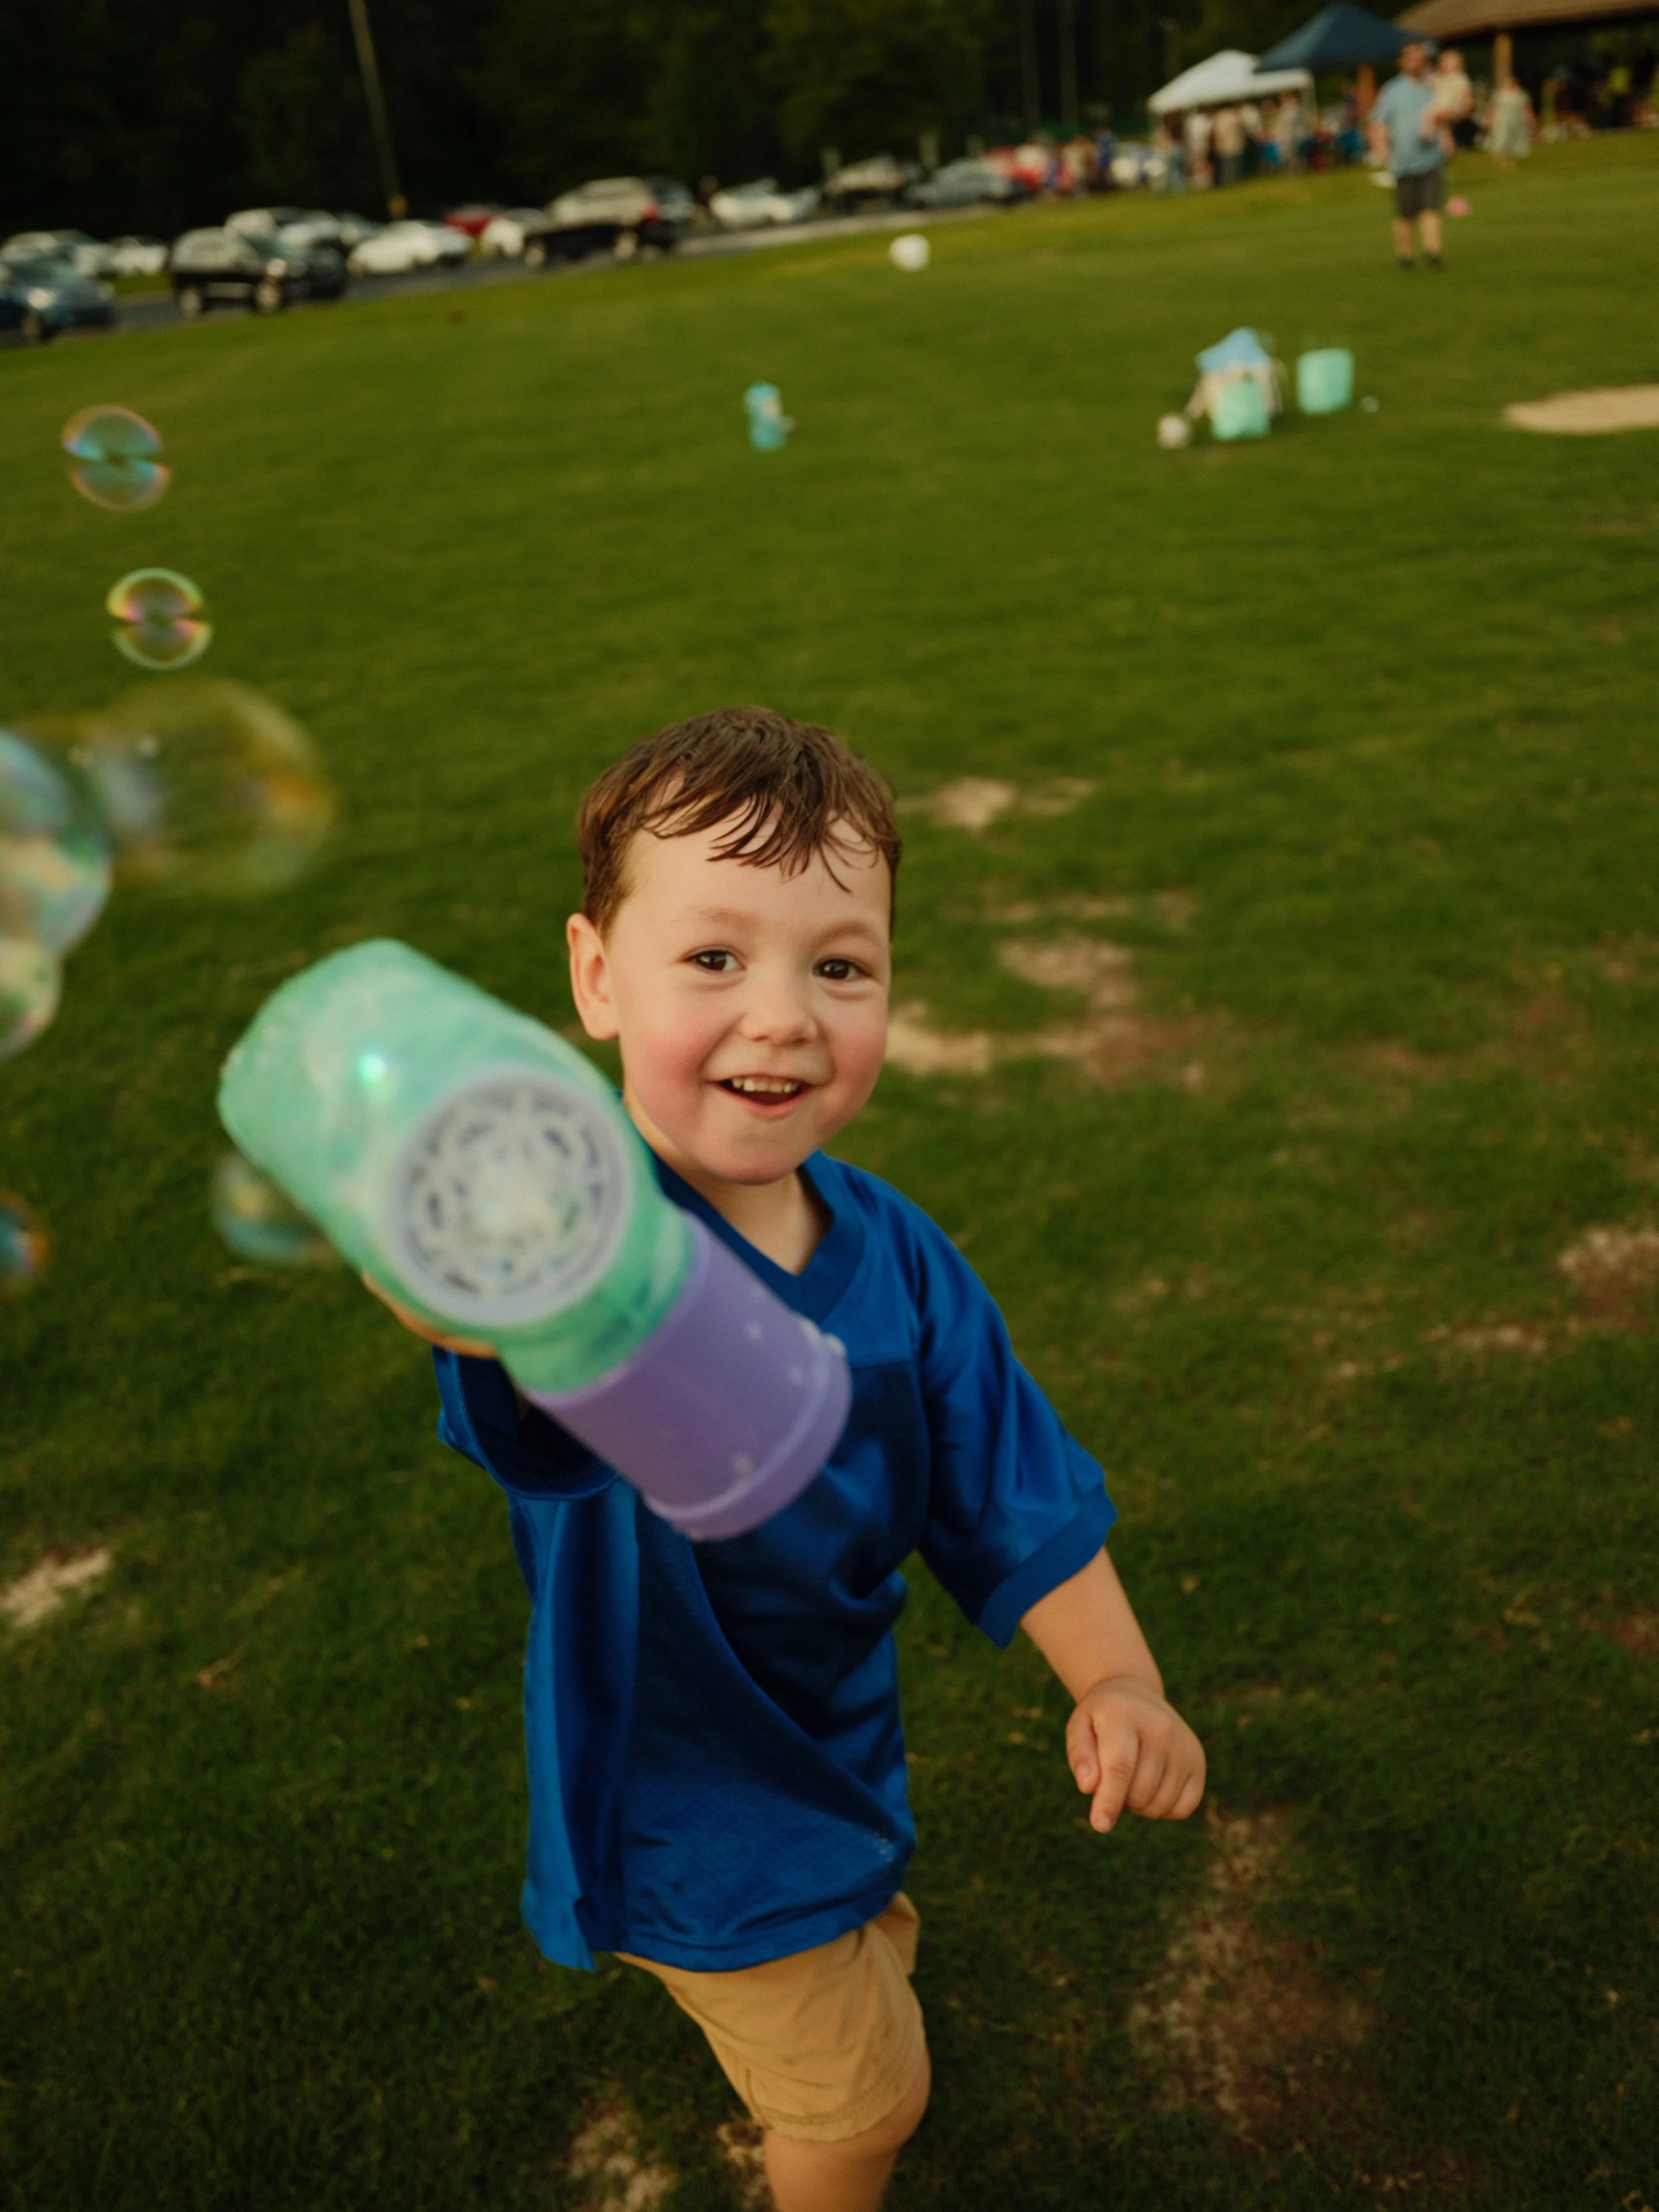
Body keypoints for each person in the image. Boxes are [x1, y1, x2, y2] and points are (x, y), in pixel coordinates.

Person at [376, 707, 1208, 2212]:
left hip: (829, 1736)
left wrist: (1117, 1679)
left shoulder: (896, 1254)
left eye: (838, 964)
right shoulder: (582, 1258)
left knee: (866, 1941)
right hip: (686, 1801)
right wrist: (471, 1300)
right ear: (594, 977)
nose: (784, 1016)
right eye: (714, 958)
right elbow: (506, 1356)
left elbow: (1012, 1487)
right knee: (867, 2107)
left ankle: (848, 1971)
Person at [1370, 40, 1447, 269]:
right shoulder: (1392, 90)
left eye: (1419, 56)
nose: (1415, 61)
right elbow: (1378, 123)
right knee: (1405, 214)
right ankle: (1405, 256)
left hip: (1431, 158)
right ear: (1402, 62)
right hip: (1403, 161)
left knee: (1430, 208)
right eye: (1410, 57)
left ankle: (1434, 254)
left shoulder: (1434, 85)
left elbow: (1450, 109)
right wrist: (1380, 146)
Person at [1488, 72, 1535, 167]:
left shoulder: (1520, 95)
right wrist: (1491, 120)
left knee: (1513, 140)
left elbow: (1526, 109)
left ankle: (1510, 158)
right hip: (1502, 121)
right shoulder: (1500, 95)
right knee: (1503, 139)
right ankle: (1502, 159)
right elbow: (1494, 108)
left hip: (1516, 121)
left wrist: (1530, 119)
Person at [1431, 47, 1477, 147]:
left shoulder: (1460, 78)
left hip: (1453, 108)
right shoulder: (1438, 78)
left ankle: (1445, 145)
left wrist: (1467, 107)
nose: (1448, 65)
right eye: (1446, 61)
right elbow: (1433, 90)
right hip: (1439, 106)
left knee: (1443, 124)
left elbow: (1466, 96)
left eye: (1452, 62)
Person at [1211, 102, 1245, 184]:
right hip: (1236, 144)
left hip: (1225, 145)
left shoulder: (1219, 117)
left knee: (1226, 166)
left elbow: (1218, 132)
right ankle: (1235, 180)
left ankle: (1228, 181)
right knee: (1236, 166)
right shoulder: (1235, 115)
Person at [1184, 104, 1213, 186]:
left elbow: (1188, 134)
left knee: (1198, 164)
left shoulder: (1191, 120)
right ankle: (1203, 180)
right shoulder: (1204, 119)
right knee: (1203, 163)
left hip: (1194, 145)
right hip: (1203, 144)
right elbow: (1208, 133)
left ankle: (1201, 180)